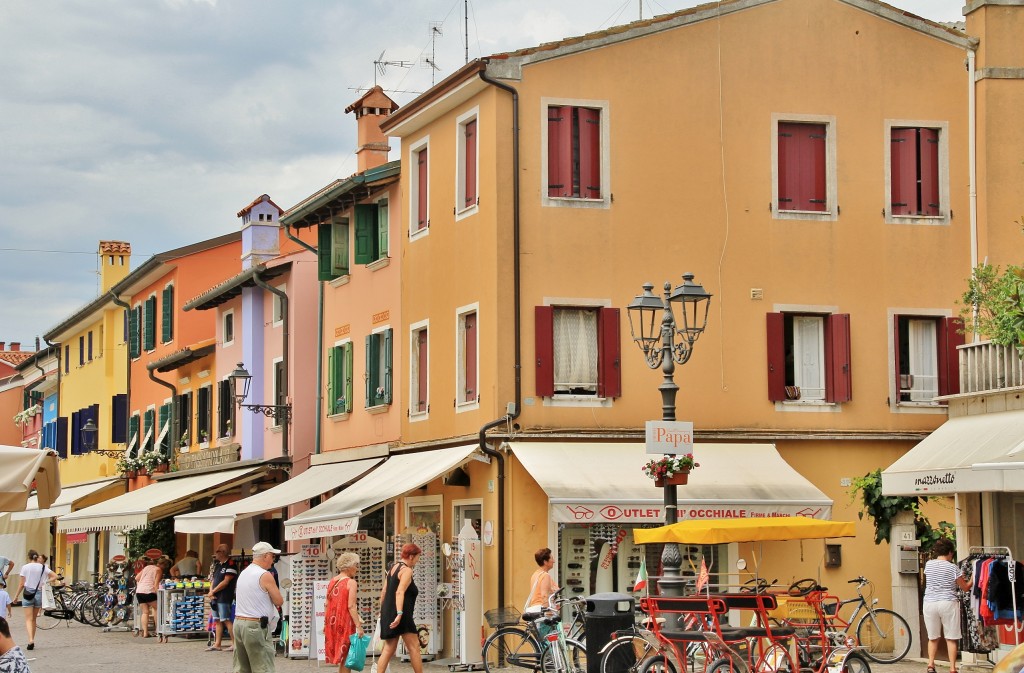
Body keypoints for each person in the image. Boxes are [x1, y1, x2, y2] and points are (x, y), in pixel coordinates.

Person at [232, 541, 284, 673]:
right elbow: (278, 601)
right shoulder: (264, 575)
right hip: (255, 625)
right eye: (272, 556)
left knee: (242, 668)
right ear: (265, 556)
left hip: (239, 623)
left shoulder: (244, 573)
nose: (273, 560)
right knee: (263, 667)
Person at [924, 538, 971, 673]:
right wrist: (973, 578)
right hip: (948, 603)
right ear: (950, 552)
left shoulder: (928, 565)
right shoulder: (953, 567)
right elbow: (965, 587)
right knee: (951, 638)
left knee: (932, 637)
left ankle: (931, 665)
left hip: (930, 603)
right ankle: (952, 668)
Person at [376, 543, 424, 673]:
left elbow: (384, 591)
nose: (418, 560)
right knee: (414, 647)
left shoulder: (393, 568)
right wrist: (399, 613)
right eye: (418, 557)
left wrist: (382, 611)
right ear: (411, 556)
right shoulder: (406, 570)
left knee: (388, 649)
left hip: (389, 612)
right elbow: (399, 592)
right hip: (402, 615)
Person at [324, 552, 364, 672]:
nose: (357, 568)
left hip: (332, 622)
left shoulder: (332, 581)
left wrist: (325, 624)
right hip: (345, 622)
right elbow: (351, 606)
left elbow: (327, 604)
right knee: (347, 657)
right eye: (356, 565)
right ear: (349, 566)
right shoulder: (351, 582)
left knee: (344, 657)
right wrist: (358, 626)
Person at [15, 550, 56, 651]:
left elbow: (21, 584)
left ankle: (31, 640)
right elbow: (55, 576)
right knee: (34, 619)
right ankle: (32, 639)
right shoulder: (43, 567)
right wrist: (45, 581)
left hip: (28, 594)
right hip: (39, 594)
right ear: (37, 557)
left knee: (28, 619)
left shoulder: (25, 567)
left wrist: (16, 596)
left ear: (29, 557)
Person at [208, 544, 238, 652]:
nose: (215, 553)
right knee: (217, 620)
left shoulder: (231, 564)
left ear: (223, 552)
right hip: (215, 597)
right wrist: (211, 591)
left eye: (217, 551)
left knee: (226, 620)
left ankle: (234, 643)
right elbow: (213, 580)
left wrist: (213, 591)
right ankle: (217, 643)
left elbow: (226, 582)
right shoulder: (217, 565)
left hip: (224, 596)